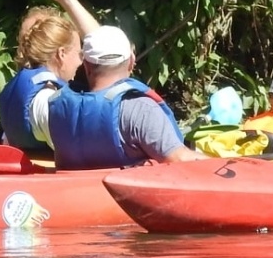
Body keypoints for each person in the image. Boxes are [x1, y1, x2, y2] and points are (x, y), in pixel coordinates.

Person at [44, 26, 205, 169]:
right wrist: (227, 164)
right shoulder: (139, 108)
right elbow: (180, 160)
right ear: (131, 61)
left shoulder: (57, 106)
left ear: (86, 65)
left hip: (76, 198)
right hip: (122, 202)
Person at [0, 0, 100, 152]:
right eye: (79, 54)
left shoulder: (17, 88)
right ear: (61, 54)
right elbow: (105, 47)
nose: (81, 61)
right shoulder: (47, 102)